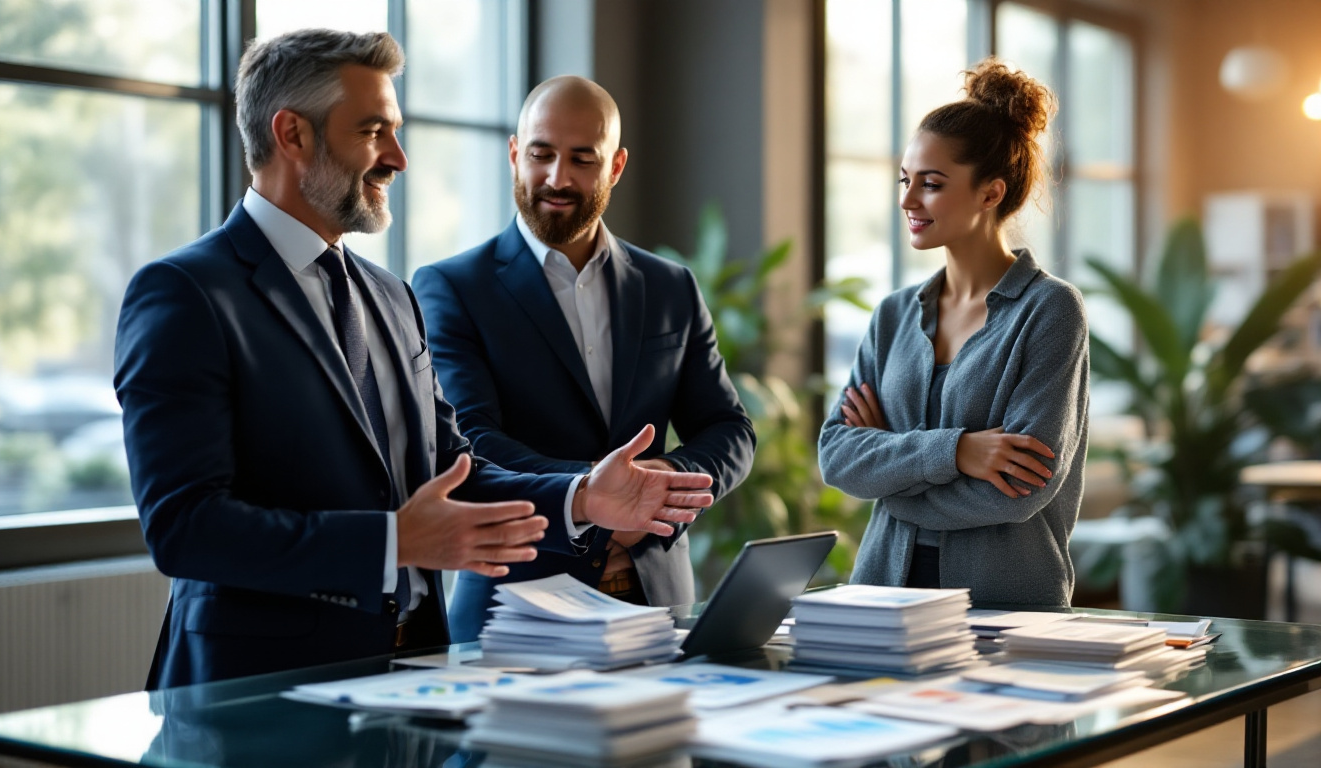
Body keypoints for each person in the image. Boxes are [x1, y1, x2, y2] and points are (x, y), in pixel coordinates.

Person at [114, 30, 715, 689]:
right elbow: (184, 527)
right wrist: (393, 543)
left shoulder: (390, 296)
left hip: (411, 685)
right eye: (374, 131)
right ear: (292, 135)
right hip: (255, 696)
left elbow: (456, 470)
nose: (397, 157)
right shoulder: (185, 293)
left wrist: (583, 498)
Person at [413, 76, 755, 641]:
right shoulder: (450, 287)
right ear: (515, 154)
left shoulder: (671, 286)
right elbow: (472, 438)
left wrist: (663, 481)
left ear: (616, 166)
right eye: (542, 154)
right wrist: (599, 497)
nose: (558, 178)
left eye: (583, 159)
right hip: (517, 610)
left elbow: (728, 428)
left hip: (658, 605)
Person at [817, 59, 1089, 607]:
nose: (907, 200)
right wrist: (958, 452)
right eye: (905, 179)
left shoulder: (1051, 310)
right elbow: (837, 456)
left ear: (991, 193)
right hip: (882, 598)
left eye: (931, 184)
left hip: (1007, 607)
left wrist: (892, 476)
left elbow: (1021, 490)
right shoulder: (893, 315)